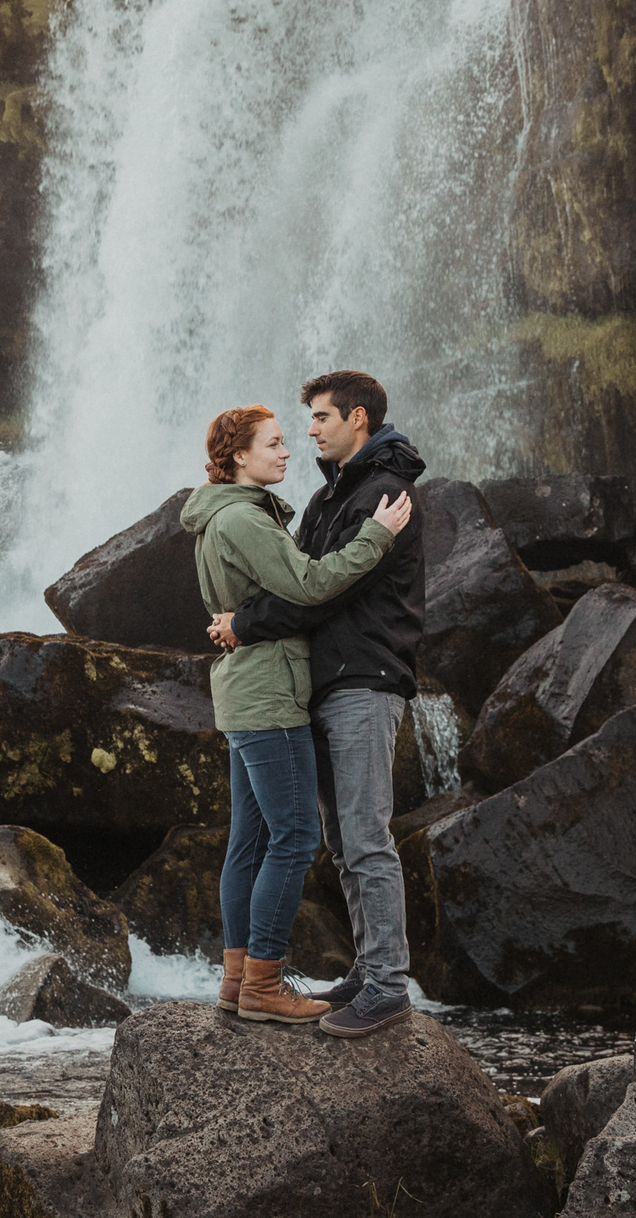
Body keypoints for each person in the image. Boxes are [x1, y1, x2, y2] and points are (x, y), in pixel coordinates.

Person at [180, 403, 412, 1025]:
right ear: (238, 457)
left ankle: (238, 981)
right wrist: (375, 536)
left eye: (292, 438)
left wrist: (241, 623)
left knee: (250, 840)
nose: (290, 451)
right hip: (271, 691)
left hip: (246, 690)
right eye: (275, 443)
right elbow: (310, 586)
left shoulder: (223, 516)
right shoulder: (245, 521)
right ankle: (264, 984)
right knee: (296, 838)